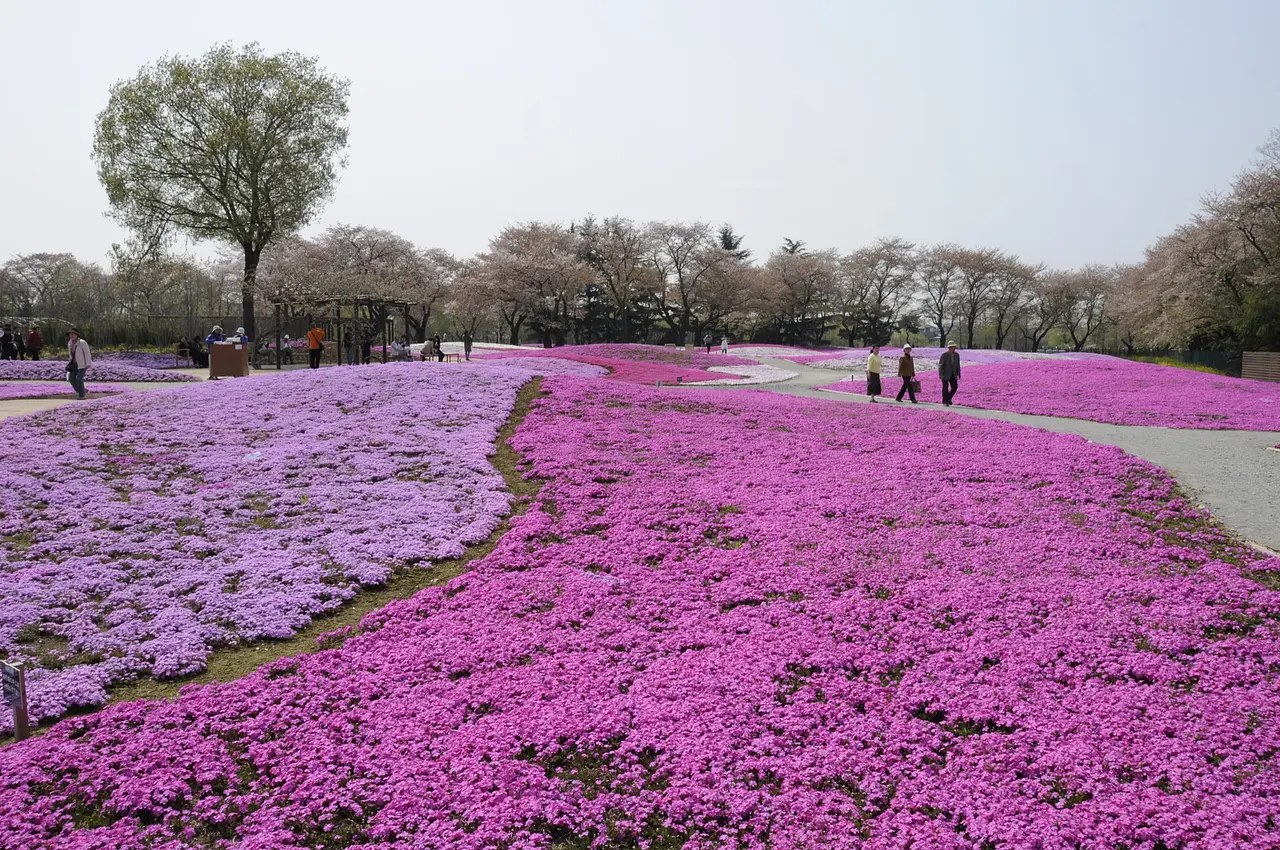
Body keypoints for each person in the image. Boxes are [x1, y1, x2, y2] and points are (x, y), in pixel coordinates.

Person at [66, 328, 92, 400]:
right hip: (73, 364)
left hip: (82, 364)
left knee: (79, 379)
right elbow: (71, 354)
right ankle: (82, 390)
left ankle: (81, 395)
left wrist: (88, 363)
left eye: (73, 334)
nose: (71, 335)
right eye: (70, 334)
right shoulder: (70, 343)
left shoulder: (82, 342)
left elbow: (87, 353)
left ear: (77, 335)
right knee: (71, 379)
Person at [939, 342, 961, 406]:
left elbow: (958, 365)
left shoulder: (957, 355)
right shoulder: (944, 355)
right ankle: (945, 402)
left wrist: (958, 374)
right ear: (949, 348)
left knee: (954, 387)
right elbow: (940, 365)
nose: (954, 348)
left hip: (953, 374)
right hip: (945, 374)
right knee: (945, 388)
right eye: (953, 347)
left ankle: (948, 398)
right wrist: (940, 374)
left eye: (954, 347)